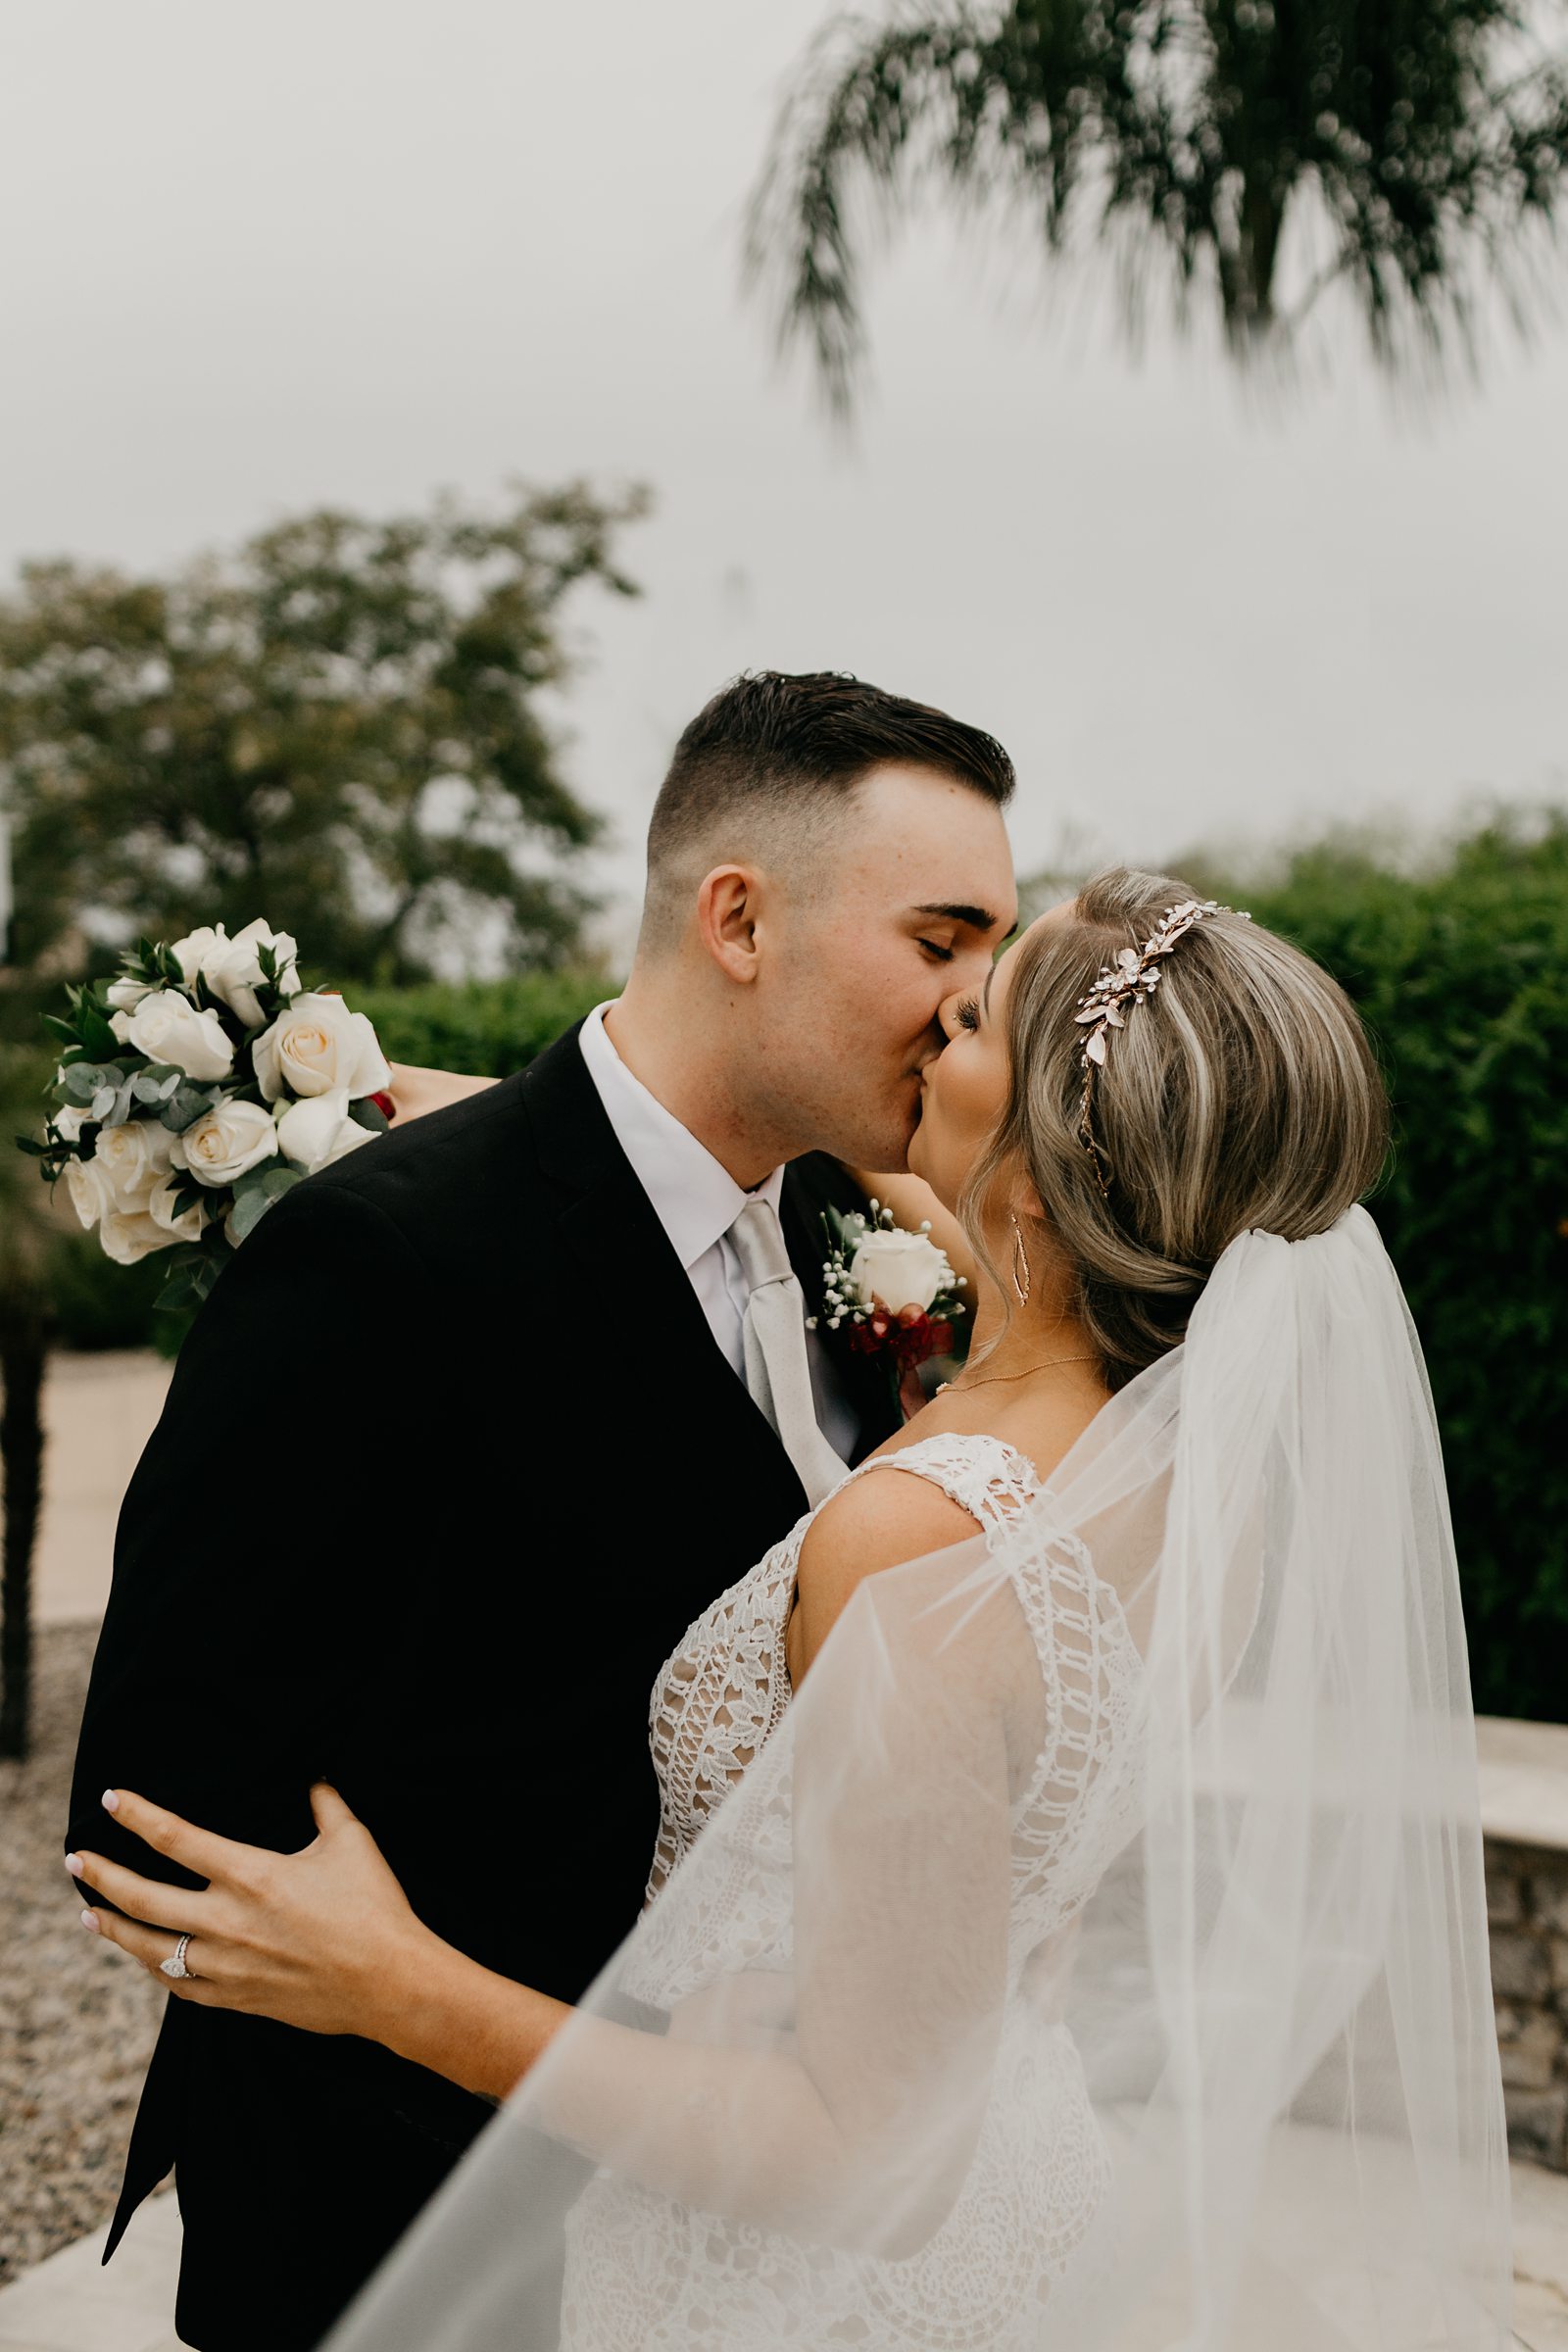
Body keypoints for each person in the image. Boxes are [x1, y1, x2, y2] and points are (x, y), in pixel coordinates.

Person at [74, 871, 1515, 2349]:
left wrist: (399, 1985)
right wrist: (509, 1113)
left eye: (971, 1026)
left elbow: (868, 2161)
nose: (926, 1043)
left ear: (1031, 1179)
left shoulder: (919, 1545)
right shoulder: (1188, 1468)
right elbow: (748, 1168)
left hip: (809, 2282)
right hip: (1020, 2164)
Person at [65, 669, 1018, 2352]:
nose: (966, 1010)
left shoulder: (843, 1246)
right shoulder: (385, 1257)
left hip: (733, 2230)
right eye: (940, 943)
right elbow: (163, 1819)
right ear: (738, 917)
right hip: (423, 2249)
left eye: (990, 962)